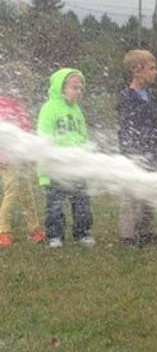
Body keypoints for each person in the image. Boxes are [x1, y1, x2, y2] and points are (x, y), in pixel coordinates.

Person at [37, 68, 93, 248]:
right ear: (61, 88)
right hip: (56, 168)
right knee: (55, 205)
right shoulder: (49, 108)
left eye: (81, 88)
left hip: (77, 167)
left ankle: (82, 233)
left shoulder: (77, 111)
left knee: (82, 202)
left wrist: (86, 155)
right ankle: (55, 235)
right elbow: (43, 136)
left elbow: (83, 136)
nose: (79, 92)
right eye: (74, 87)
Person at [117, 49, 157, 248]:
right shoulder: (127, 98)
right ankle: (128, 236)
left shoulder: (148, 96)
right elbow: (127, 130)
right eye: (151, 68)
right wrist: (133, 155)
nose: (155, 72)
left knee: (149, 193)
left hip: (150, 154)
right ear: (136, 70)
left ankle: (146, 232)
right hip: (134, 156)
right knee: (131, 196)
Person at [0, 63, 45, 246]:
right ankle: (3, 230)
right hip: (7, 159)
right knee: (11, 193)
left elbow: (25, 131)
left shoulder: (19, 106)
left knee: (27, 194)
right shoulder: (2, 104)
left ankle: (34, 228)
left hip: (21, 158)